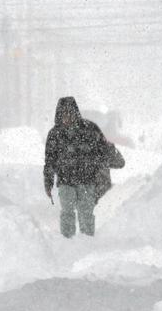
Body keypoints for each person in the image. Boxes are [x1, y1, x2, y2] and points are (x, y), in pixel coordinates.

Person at [43, 97, 125, 238]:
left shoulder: (90, 129)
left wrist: (114, 158)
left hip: (87, 181)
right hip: (65, 182)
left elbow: (104, 148)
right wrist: (48, 182)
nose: (67, 117)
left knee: (86, 212)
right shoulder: (54, 134)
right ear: (59, 115)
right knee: (67, 212)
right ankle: (67, 240)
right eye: (64, 114)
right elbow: (50, 160)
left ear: (75, 113)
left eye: (70, 113)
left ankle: (87, 240)